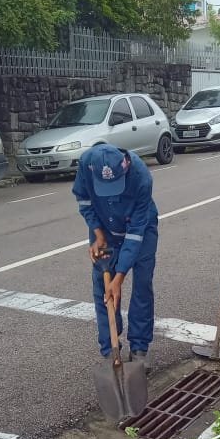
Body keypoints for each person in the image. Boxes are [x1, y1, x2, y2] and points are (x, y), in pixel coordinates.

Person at [73, 144, 158, 366]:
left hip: (141, 228)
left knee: (142, 285)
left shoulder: (141, 177)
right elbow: (83, 199)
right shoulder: (86, 164)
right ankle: (110, 349)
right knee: (103, 289)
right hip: (104, 228)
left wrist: (119, 277)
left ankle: (139, 349)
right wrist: (98, 233)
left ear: (125, 166)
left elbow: (136, 234)